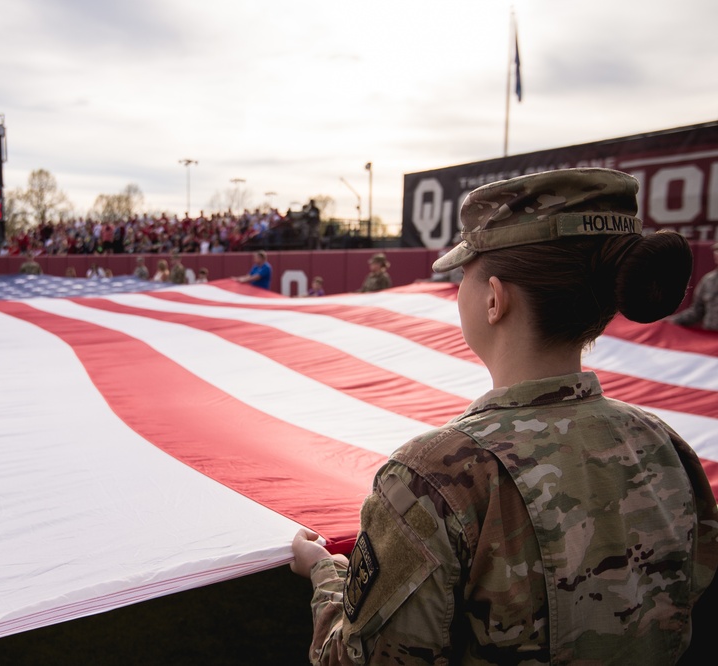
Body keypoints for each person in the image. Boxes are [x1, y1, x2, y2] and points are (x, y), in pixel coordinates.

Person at [291, 168, 718, 665]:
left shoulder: (432, 477)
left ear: (495, 298)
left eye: (465, 275)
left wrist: (327, 576)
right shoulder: (665, 447)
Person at [670, 240, 718, 330]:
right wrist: (672, 321)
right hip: (711, 338)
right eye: (716, 251)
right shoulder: (708, 280)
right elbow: (696, 312)